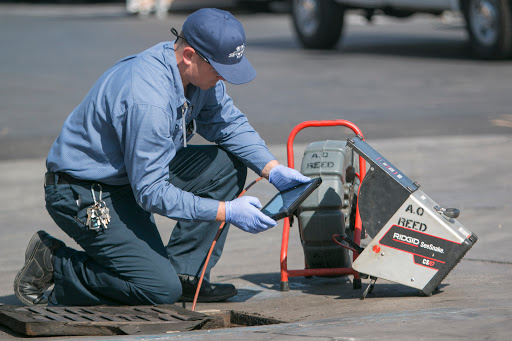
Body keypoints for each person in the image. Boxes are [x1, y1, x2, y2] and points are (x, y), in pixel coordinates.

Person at [14, 8, 310, 306]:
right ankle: (55, 263)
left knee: (225, 166)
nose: (223, 77)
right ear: (190, 55)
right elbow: (151, 192)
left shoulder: (194, 74)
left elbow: (227, 123)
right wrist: (226, 211)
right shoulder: (149, 100)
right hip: (83, 190)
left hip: (130, 174)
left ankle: (185, 275)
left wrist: (272, 169)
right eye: (219, 68)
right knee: (157, 290)